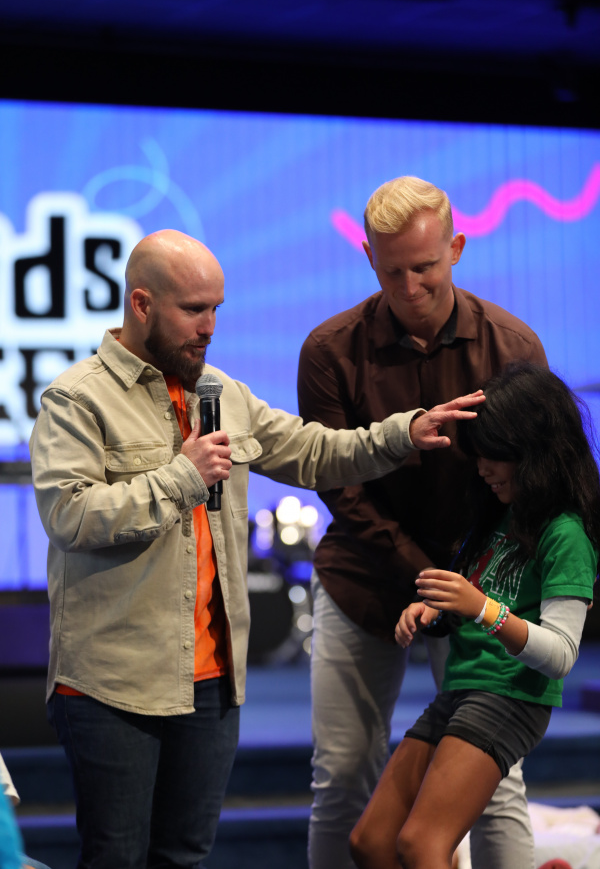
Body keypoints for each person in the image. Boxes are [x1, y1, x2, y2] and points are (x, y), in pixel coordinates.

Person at [29, 228, 483, 869]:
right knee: (117, 858)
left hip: (214, 679)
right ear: (141, 304)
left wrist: (403, 432)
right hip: (113, 684)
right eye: (194, 309)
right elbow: (69, 517)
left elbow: (315, 451)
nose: (209, 327)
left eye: (217, 308)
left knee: (185, 857)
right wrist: (182, 477)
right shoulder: (77, 399)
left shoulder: (221, 393)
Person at [297, 175, 548, 869]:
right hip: (363, 577)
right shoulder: (329, 350)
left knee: (494, 781)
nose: (409, 287)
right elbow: (339, 485)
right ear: (368, 259)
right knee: (343, 776)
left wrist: (465, 584)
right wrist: (425, 573)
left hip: (479, 584)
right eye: (391, 272)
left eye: (425, 267)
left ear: (457, 248)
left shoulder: (512, 347)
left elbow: (532, 482)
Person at [349, 362, 600, 869]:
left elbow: (560, 655)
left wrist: (481, 609)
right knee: (372, 842)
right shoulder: (502, 513)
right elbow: (485, 595)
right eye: (478, 454)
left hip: (510, 695)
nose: (482, 468)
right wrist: (438, 606)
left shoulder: (566, 532)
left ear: (534, 449)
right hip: (464, 688)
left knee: (420, 844)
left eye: (493, 455)